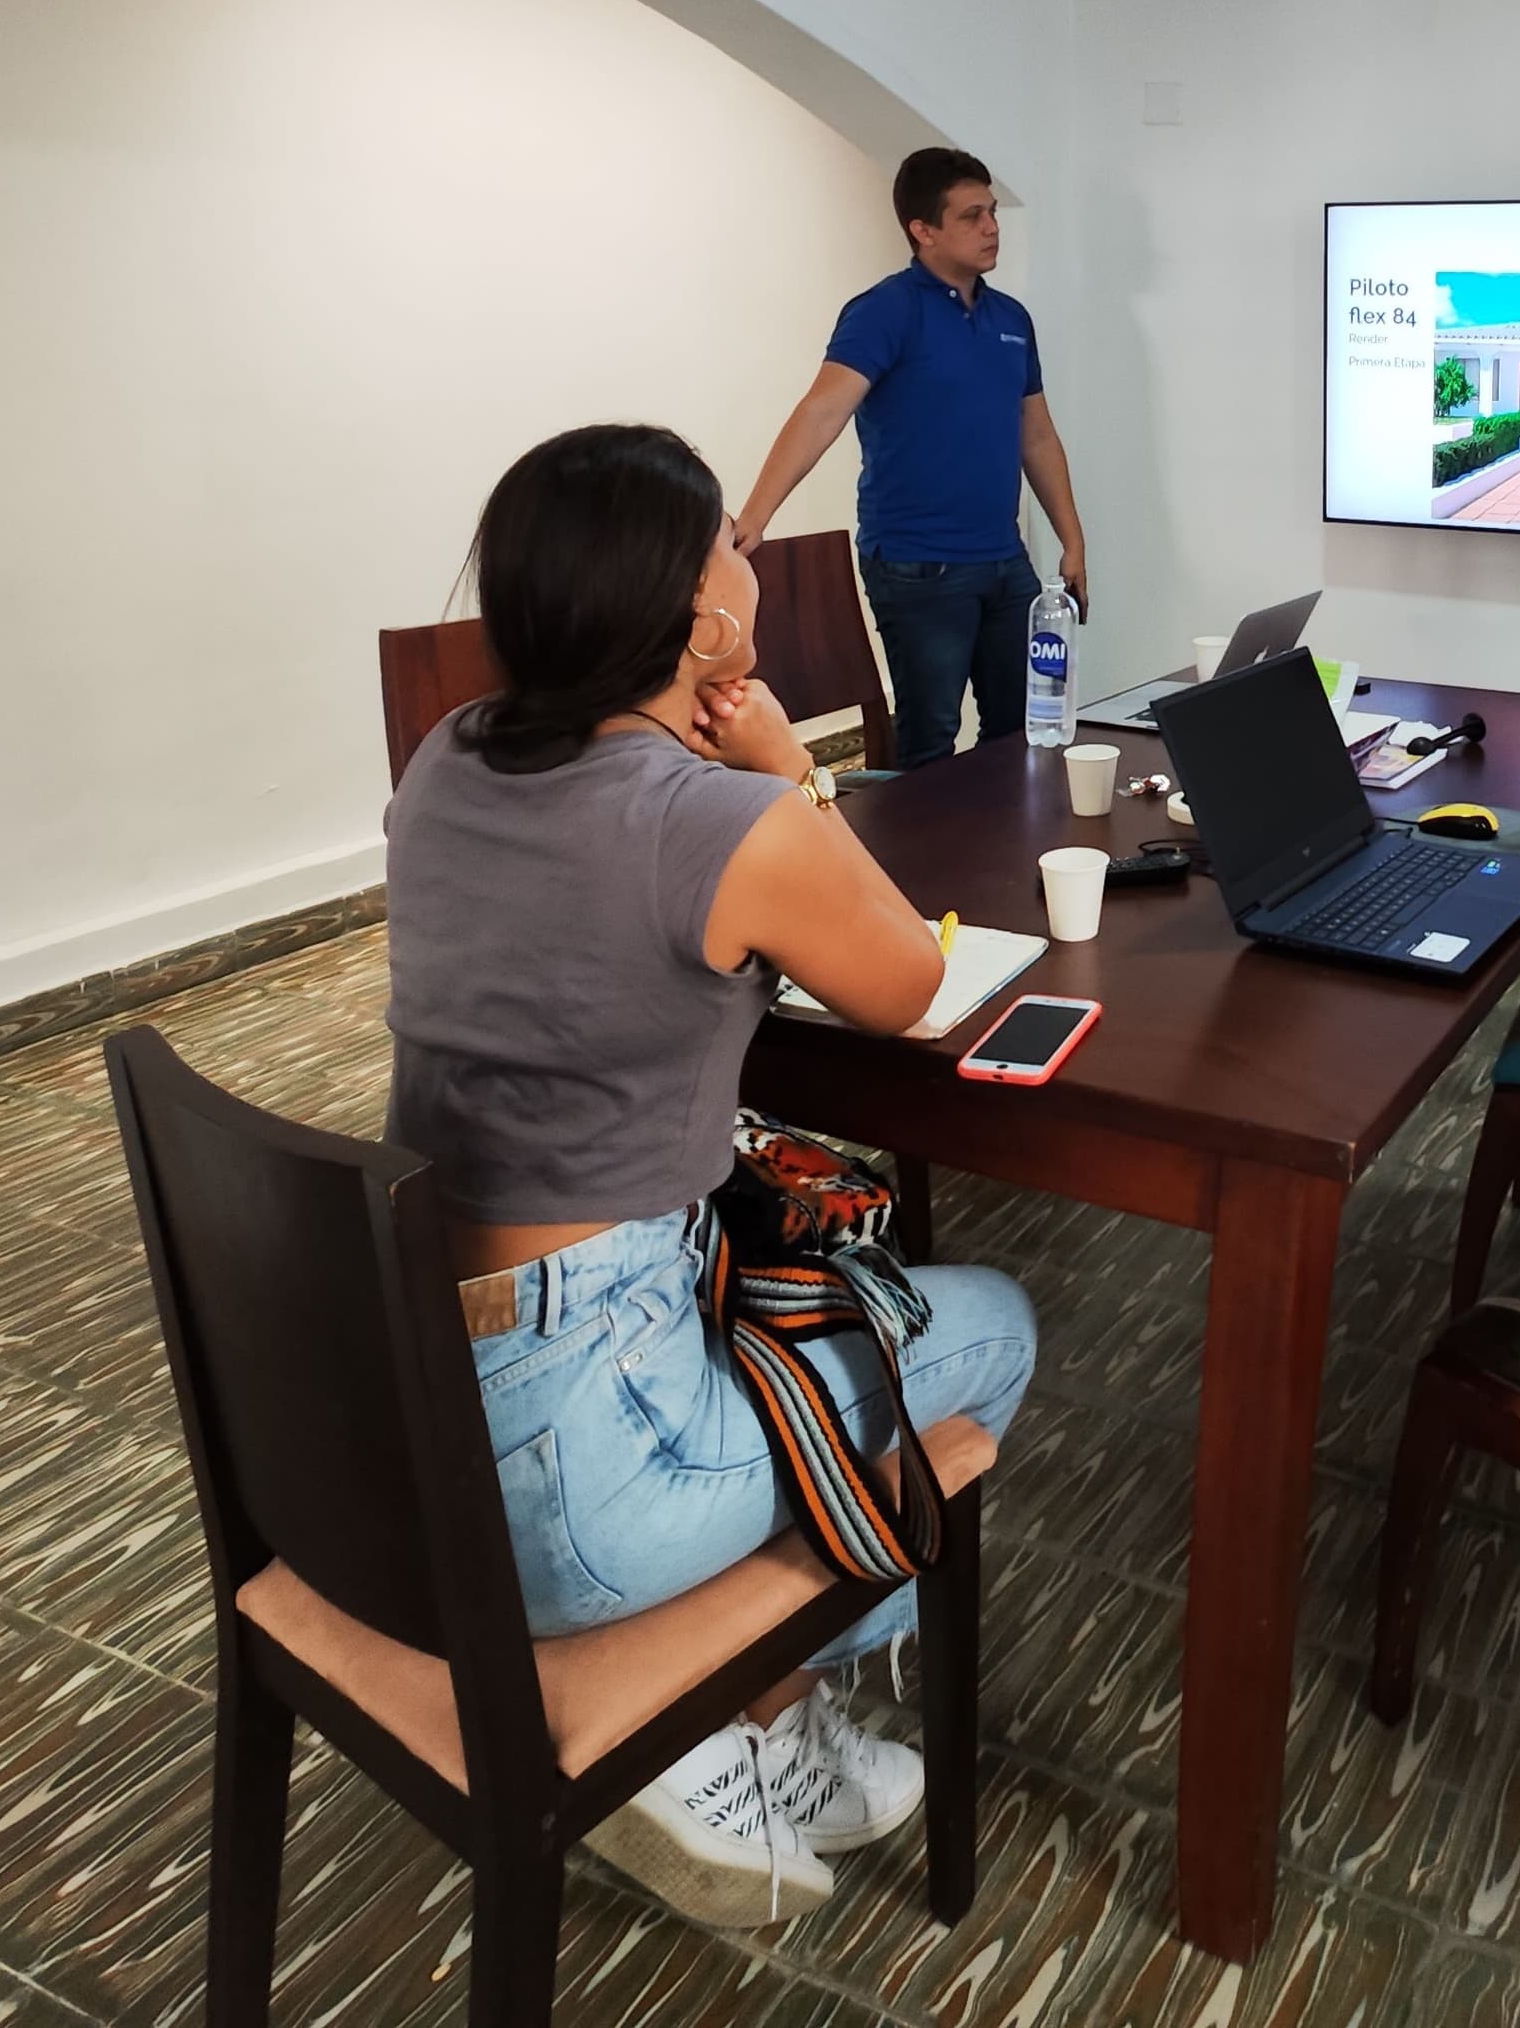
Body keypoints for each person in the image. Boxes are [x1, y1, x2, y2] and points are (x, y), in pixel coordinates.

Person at [382, 422, 1037, 1932]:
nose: (749, 552)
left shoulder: (448, 755)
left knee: (817, 1310)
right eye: (729, 544)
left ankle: (739, 1703)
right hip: (589, 1467)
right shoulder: (718, 818)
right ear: (706, 623)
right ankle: (738, 1715)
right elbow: (896, 982)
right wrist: (782, 765)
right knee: (991, 1321)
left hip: (408, 1416)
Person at [732, 147, 1092, 768]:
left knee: (1024, 726)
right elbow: (822, 411)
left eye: (993, 212)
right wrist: (755, 518)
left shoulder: (1011, 319)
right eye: (971, 216)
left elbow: (1037, 435)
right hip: (917, 565)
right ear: (922, 231)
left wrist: (1073, 539)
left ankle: (1001, 855)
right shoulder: (885, 311)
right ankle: (916, 866)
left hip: (1005, 561)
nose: (991, 227)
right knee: (929, 736)